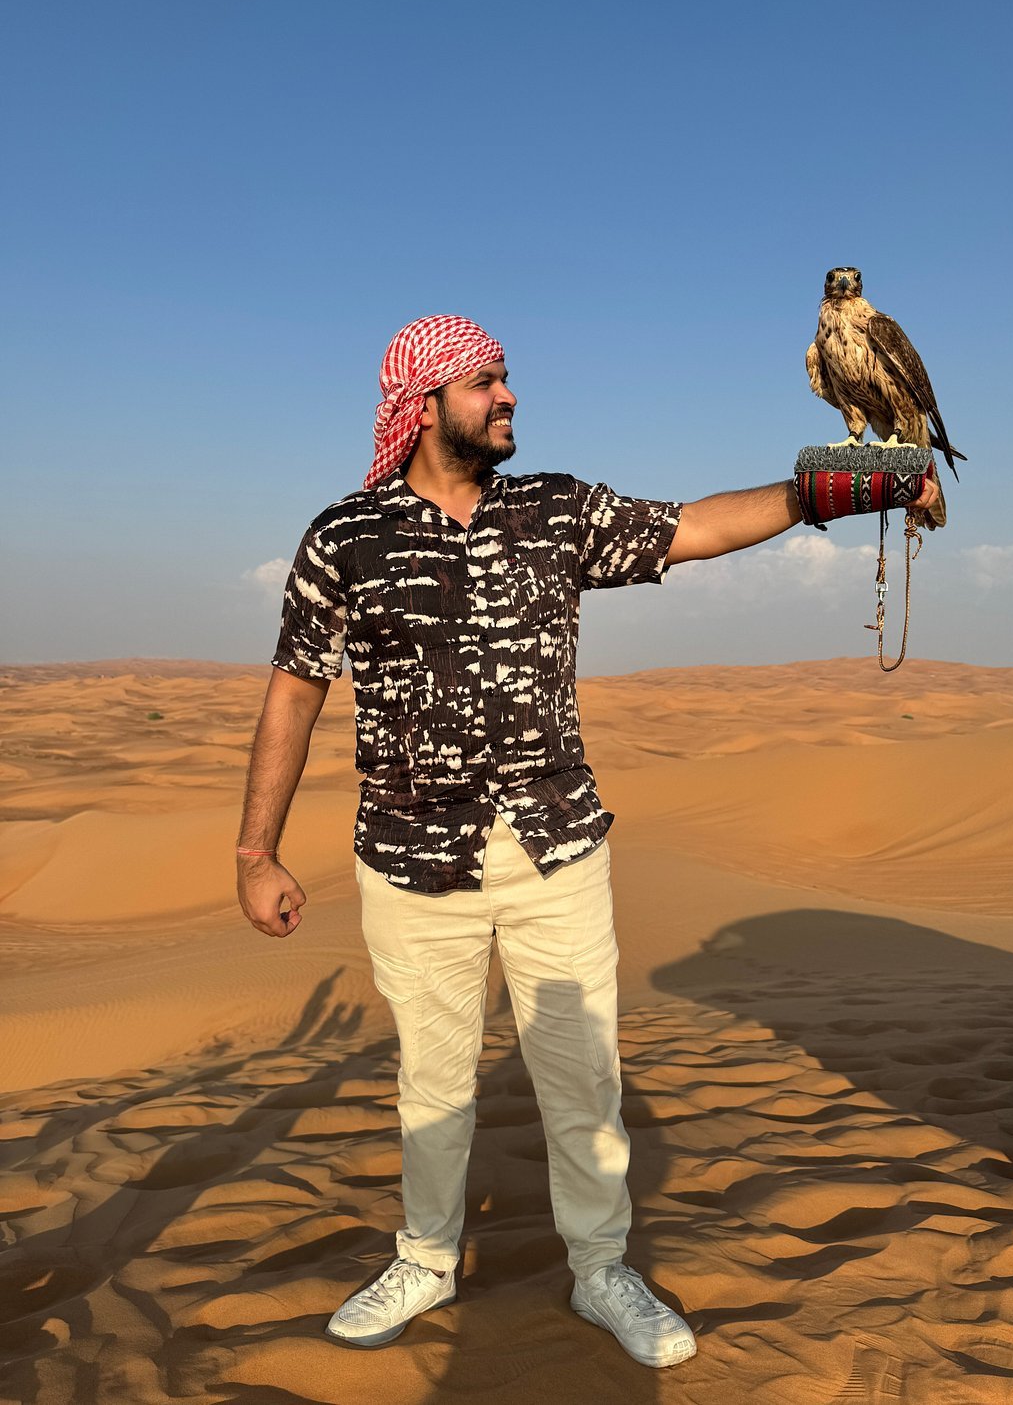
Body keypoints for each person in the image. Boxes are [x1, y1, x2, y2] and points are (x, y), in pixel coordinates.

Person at [236, 314, 939, 1369]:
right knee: (432, 1086)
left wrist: (844, 487)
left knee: (580, 1081)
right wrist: (256, 850)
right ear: (421, 405)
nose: (508, 396)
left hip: (555, 849)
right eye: (484, 383)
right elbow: (295, 688)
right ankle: (425, 1261)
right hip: (410, 858)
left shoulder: (554, 510)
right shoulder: (346, 537)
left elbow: (692, 527)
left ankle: (599, 1268)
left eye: (507, 378)